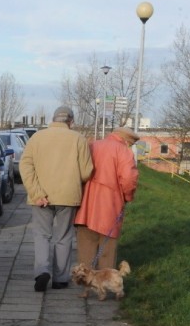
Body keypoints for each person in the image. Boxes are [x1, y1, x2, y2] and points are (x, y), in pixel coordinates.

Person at [20, 105, 94, 292]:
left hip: (41, 197)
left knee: (42, 235)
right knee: (63, 237)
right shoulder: (78, 139)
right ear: (71, 121)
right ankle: (61, 279)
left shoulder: (36, 138)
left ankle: (42, 272)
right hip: (68, 196)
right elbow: (86, 172)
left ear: (53, 119)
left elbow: (25, 166)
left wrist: (37, 193)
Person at [74, 126, 140, 270]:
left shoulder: (93, 145)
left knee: (85, 244)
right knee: (107, 248)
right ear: (127, 141)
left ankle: (86, 284)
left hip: (85, 203)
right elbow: (129, 178)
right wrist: (128, 196)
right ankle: (105, 283)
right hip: (110, 205)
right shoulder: (123, 151)